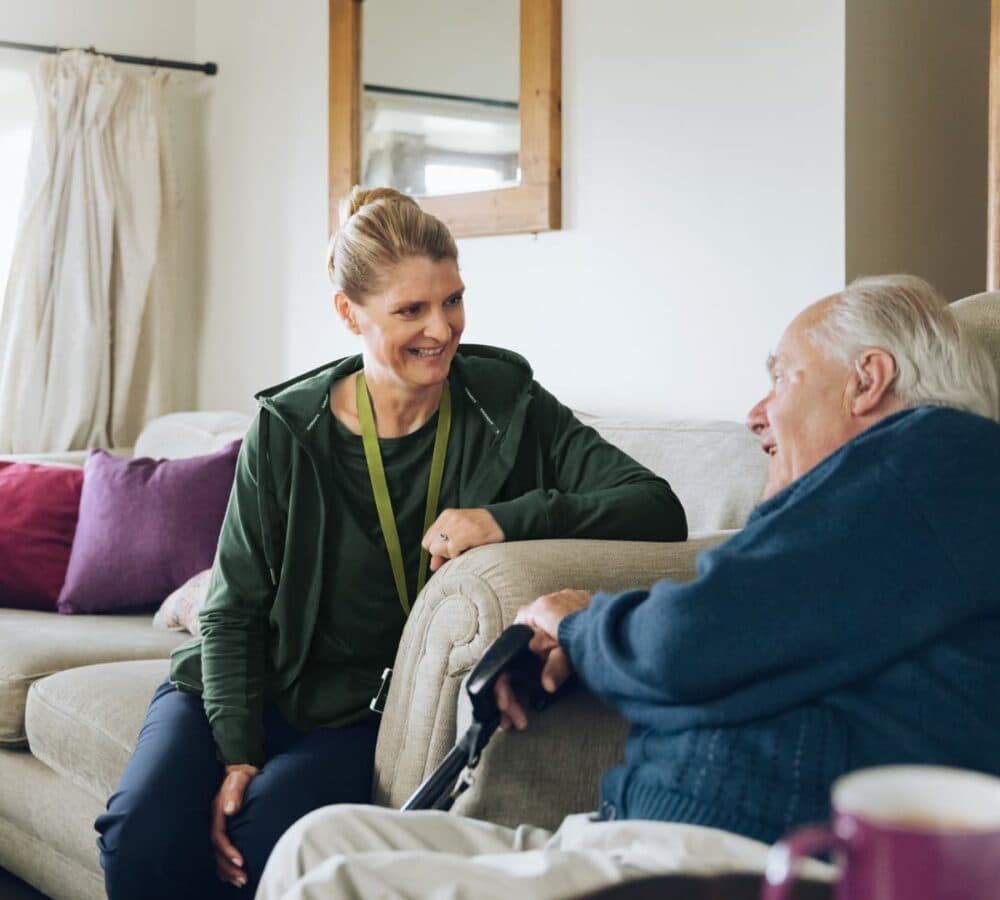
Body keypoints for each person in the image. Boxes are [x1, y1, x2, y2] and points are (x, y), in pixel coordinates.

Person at [256, 274, 1000, 900]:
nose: (755, 414)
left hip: (728, 859)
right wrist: (596, 636)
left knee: (332, 884)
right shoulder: (867, 518)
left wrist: (579, 624)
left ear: (868, 379)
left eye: (781, 376)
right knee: (315, 842)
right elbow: (738, 624)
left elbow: (688, 642)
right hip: (636, 836)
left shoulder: (936, 461)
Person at [92, 187, 685, 899]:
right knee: (140, 840)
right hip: (243, 686)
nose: (442, 329)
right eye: (411, 310)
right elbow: (233, 608)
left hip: (357, 714)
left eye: (453, 300)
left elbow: (655, 506)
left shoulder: (507, 403)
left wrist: (503, 521)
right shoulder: (289, 429)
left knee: (259, 847)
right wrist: (237, 753)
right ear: (350, 313)